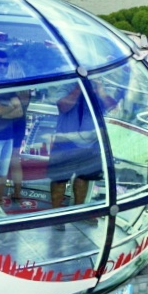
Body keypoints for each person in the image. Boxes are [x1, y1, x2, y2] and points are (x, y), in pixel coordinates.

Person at [0, 48, 30, 212]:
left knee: (1, 173)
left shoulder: (7, 84)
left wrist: (4, 111)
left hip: (7, 135)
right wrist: (6, 110)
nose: (1, 68)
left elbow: (18, 110)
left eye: (5, 65)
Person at [48, 81, 105, 209]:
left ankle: (78, 211)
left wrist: (100, 91)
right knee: (59, 179)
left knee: (84, 178)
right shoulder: (67, 85)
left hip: (91, 144)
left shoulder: (99, 85)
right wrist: (78, 88)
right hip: (65, 142)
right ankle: (56, 213)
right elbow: (63, 106)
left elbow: (112, 107)